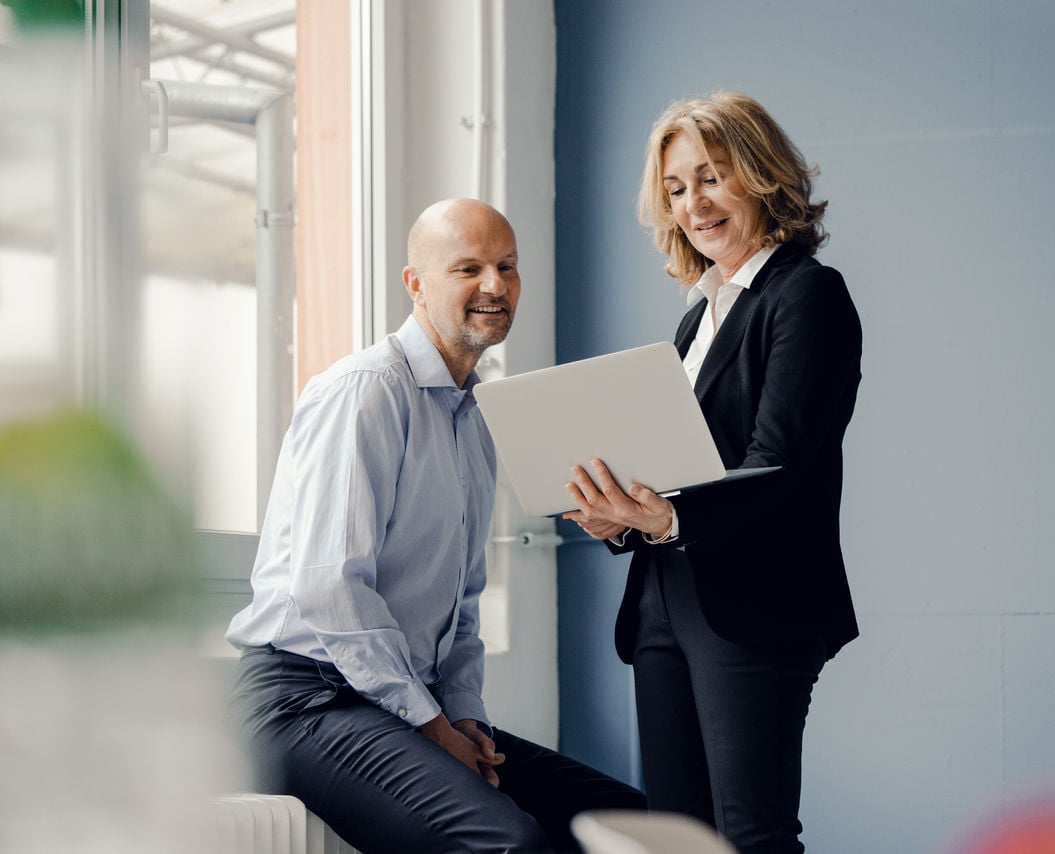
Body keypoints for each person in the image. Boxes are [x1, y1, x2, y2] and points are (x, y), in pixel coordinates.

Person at [227, 198, 644, 854]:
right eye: (468, 267)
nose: (494, 285)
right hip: (304, 700)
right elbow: (330, 591)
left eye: (507, 267)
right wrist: (428, 723)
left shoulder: (473, 421)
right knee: (508, 843)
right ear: (415, 283)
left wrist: (465, 718)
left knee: (627, 821)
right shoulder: (365, 392)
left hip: (400, 701)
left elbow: (462, 609)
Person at [562, 92, 862, 854]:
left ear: (760, 177)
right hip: (665, 600)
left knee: (750, 836)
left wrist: (665, 518)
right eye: (675, 188)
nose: (693, 204)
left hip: (755, 602)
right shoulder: (698, 317)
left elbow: (780, 464)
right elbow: (681, 473)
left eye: (711, 177)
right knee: (674, 838)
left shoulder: (806, 295)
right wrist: (619, 518)